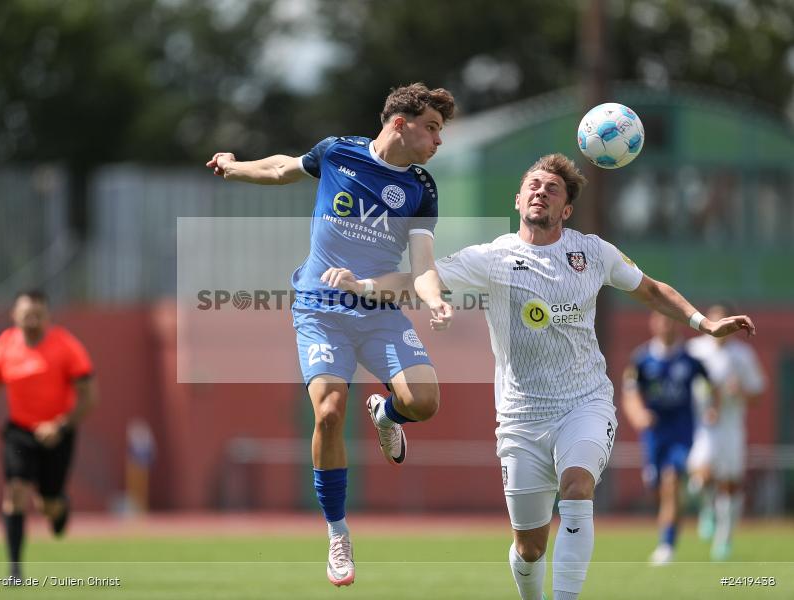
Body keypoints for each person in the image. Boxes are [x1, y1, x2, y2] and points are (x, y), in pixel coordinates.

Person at [323, 153, 756, 600]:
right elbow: (421, 276)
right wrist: (364, 286)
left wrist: (704, 324)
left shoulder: (592, 252)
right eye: (533, 184)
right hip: (521, 418)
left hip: (584, 403)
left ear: (565, 210)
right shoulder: (492, 258)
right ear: (517, 199)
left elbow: (651, 289)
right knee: (530, 549)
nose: (540, 192)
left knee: (577, 486)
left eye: (552, 189)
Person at [205, 83, 456, 587]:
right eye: (431, 127)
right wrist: (233, 166)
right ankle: (338, 533)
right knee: (328, 410)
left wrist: (435, 300)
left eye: (440, 131)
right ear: (399, 123)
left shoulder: (421, 187)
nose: (437, 140)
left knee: (424, 401)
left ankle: (387, 414)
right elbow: (280, 169)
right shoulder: (338, 151)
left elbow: (423, 265)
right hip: (320, 309)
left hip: (379, 309)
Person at [0, 290, 98, 583]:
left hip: (58, 433)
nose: (32, 321)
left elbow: (89, 397)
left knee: (47, 505)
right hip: (20, 432)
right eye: (26, 315)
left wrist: (61, 426)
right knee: (15, 493)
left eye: (38, 315)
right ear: (15, 316)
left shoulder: (66, 346)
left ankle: (59, 507)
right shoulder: (3, 348)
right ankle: (15, 570)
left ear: (48, 317)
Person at [621, 311, 711, 565]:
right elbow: (630, 393)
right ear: (653, 324)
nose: (666, 325)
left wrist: (711, 406)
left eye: (671, 320)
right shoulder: (641, 359)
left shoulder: (691, 360)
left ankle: (667, 545)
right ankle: (691, 493)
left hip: (682, 432)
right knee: (659, 489)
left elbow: (708, 387)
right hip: (654, 435)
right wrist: (639, 414)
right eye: (661, 320)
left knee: (672, 482)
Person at [686, 303, 765, 561]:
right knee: (699, 479)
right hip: (702, 427)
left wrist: (738, 392)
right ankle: (706, 507)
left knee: (729, 484)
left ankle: (724, 539)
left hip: (731, 427)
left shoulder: (742, 355)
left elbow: (757, 395)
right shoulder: (695, 351)